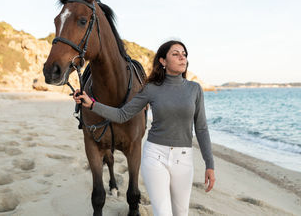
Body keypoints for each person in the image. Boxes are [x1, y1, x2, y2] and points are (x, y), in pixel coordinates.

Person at [73, 40, 215, 216]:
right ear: (163, 61)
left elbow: (201, 128)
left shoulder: (195, 89)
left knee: (181, 212)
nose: (182, 58)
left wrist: (210, 164)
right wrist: (92, 104)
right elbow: (122, 114)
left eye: (184, 54)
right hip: (155, 156)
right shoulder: (151, 88)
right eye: (175, 54)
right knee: (163, 213)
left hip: (183, 158)